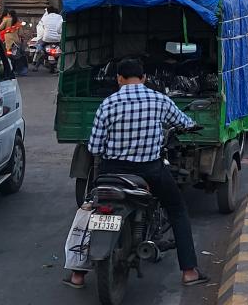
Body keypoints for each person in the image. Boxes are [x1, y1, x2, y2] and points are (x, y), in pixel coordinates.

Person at [64, 58, 207, 289]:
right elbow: (184, 122)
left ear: (119, 79)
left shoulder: (108, 104)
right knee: (177, 209)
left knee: (87, 212)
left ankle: (77, 275)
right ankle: (190, 271)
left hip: (112, 172)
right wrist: (190, 126)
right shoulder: (159, 100)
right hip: (150, 171)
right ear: (144, 78)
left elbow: (95, 147)